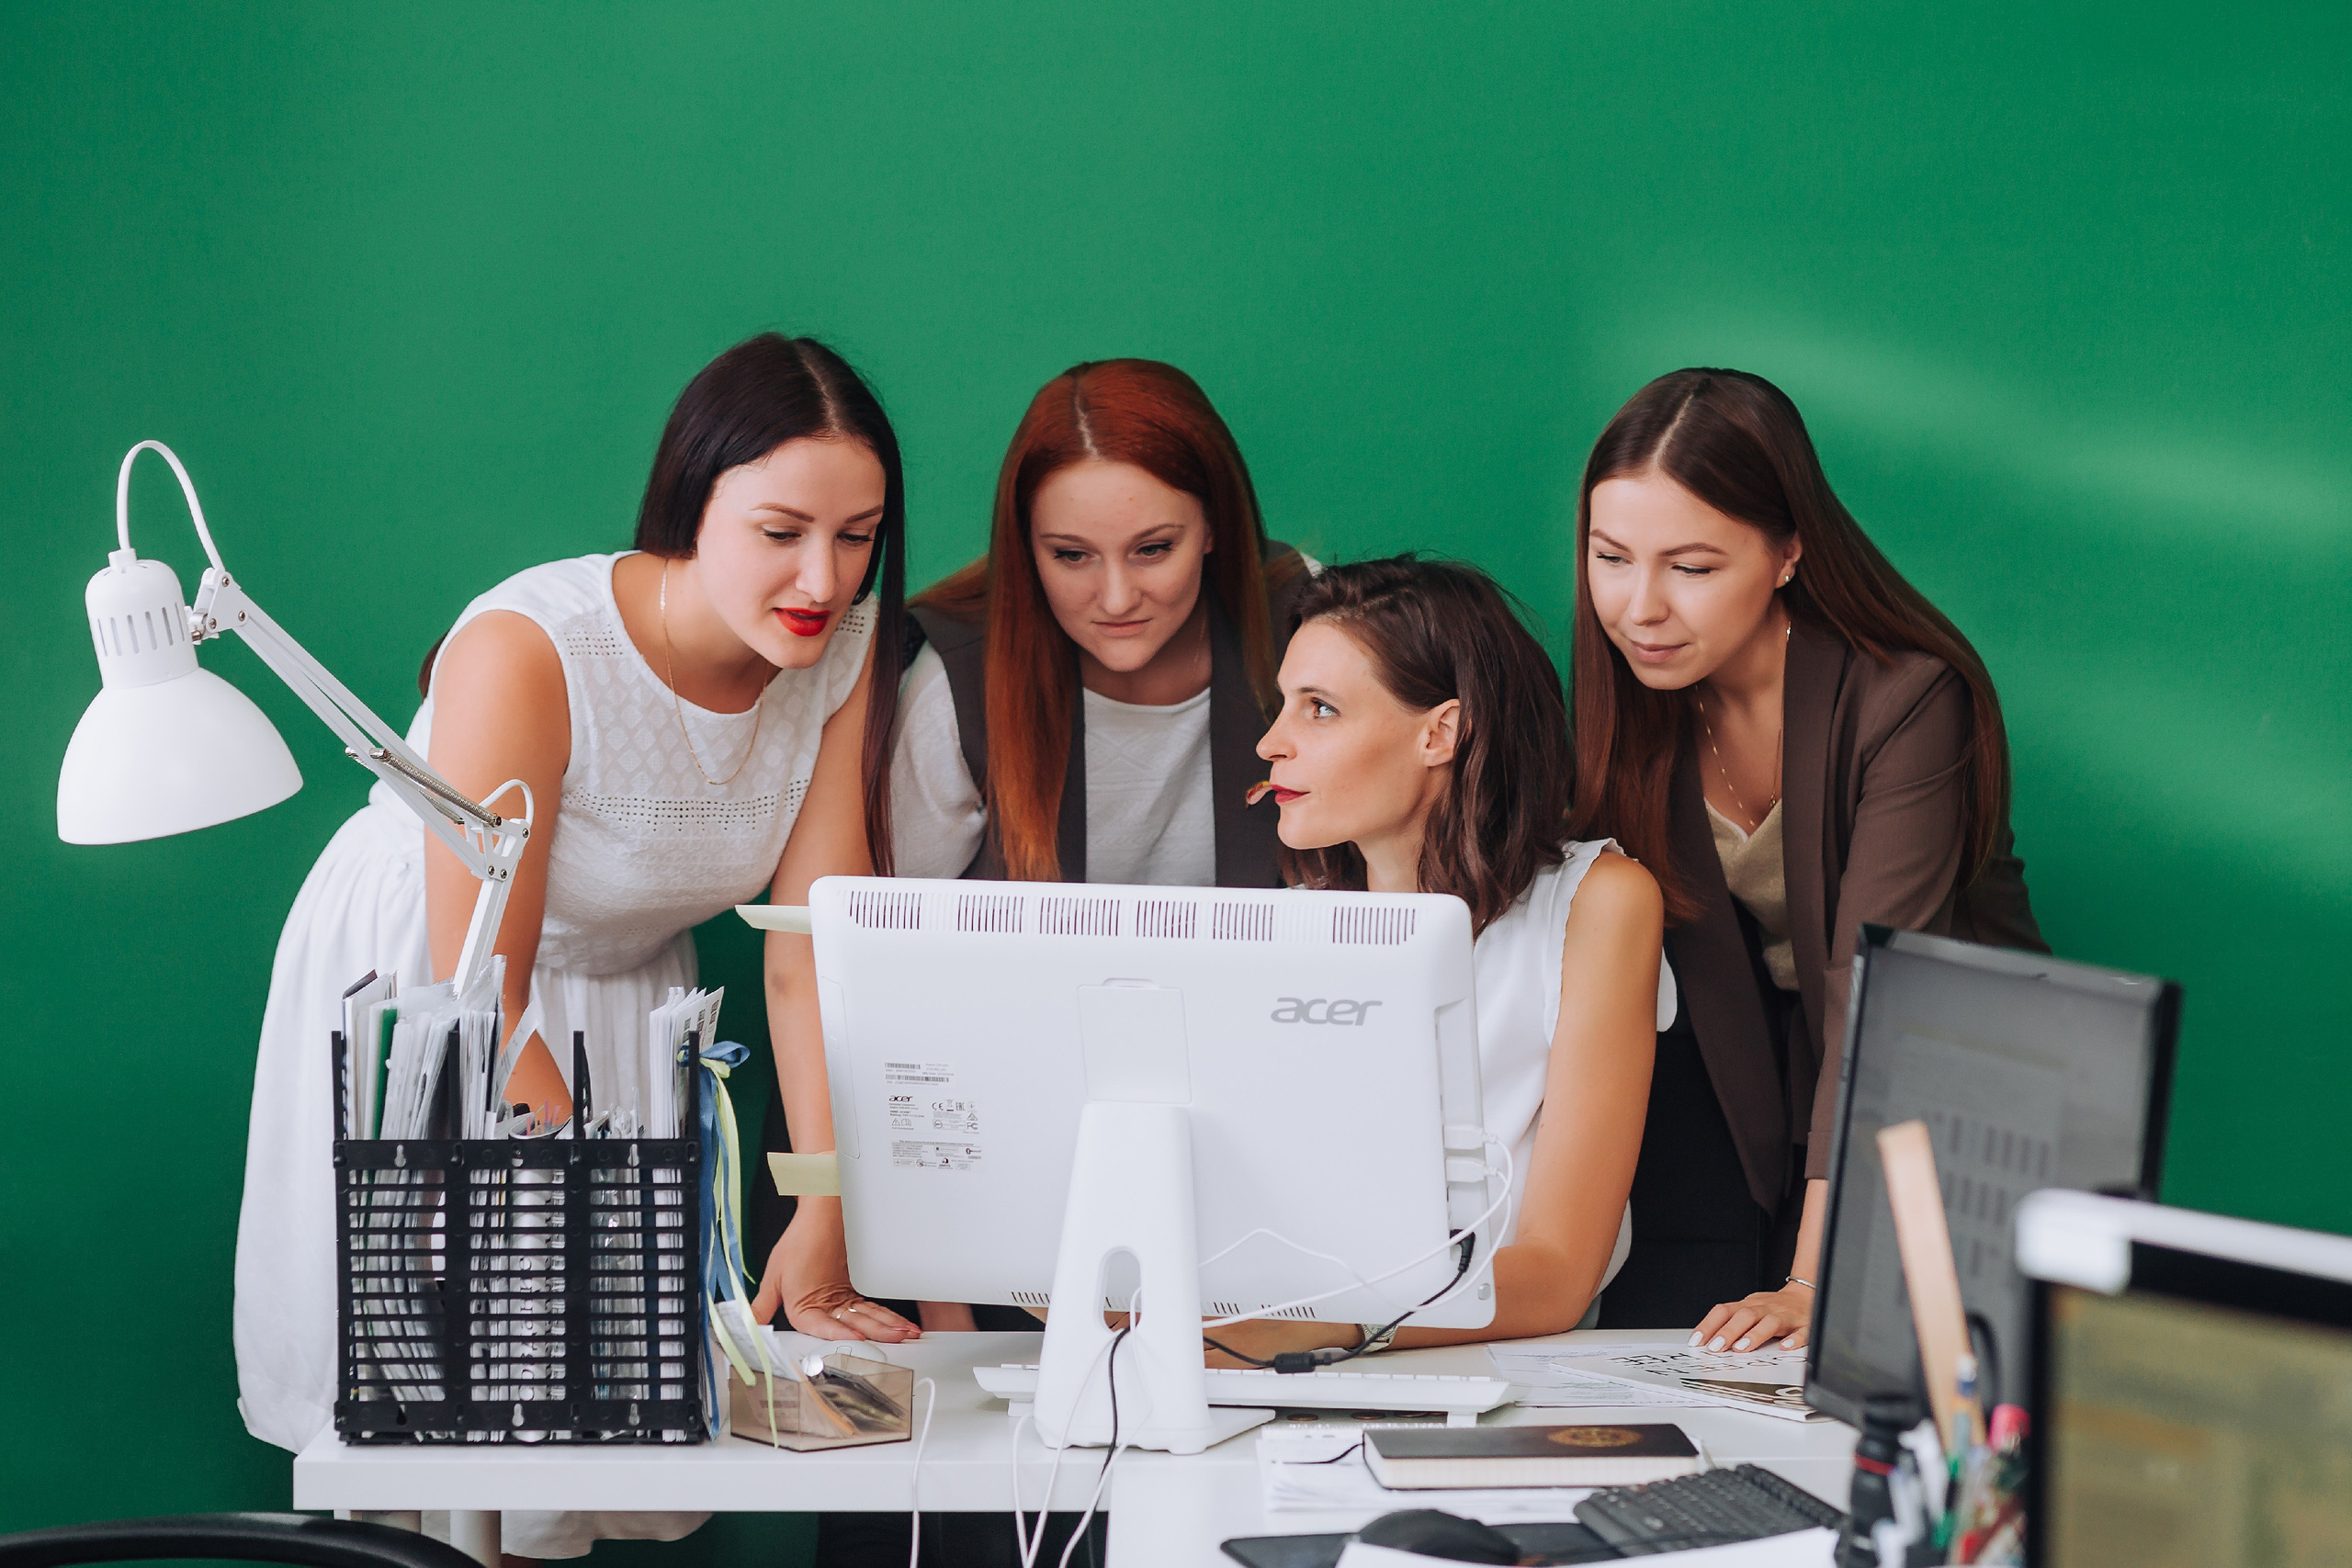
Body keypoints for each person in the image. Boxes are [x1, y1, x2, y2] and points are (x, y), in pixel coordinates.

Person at [232, 333, 908, 1561]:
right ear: (688, 506)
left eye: (857, 535)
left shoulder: (843, 648)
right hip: (439, 979)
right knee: (453, 1401)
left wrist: (823, 1202)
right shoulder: (531, 646)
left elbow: (809, 945)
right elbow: (482, 993)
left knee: (575, 1430)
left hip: (627, 989)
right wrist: (596, 1203)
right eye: (780, 531)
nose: (823, 574)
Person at [744, 357, 1307, 1568]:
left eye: (1154, 548)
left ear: (1218, 525)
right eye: (1069, 556)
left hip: (1230, 1186)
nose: (1116, 596)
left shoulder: (1304, 645)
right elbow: (860, 970)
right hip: (971, 1174)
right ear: (1022, 548)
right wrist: (929, 1282)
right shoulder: (952, 673)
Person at [1565, 367, 2045, 1348]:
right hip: (1779, 1094)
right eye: (1611, 558)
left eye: (1692, 567)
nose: (1639, 607)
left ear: (1788, 552)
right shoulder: (1638, 699)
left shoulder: (1908, 697)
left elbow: (1878, 996)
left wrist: (1809, 1281)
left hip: (1956, 1087)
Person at [1216, 555, 1670, 1363]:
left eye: (1319, 709)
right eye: (1283, 705)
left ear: (1442, 732)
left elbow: (1560, 1276)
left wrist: (1318, 1326)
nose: (1271, 742)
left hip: (1512, 1374)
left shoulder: (1598, 903)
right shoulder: (1296, 923)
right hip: (1299, 1366)